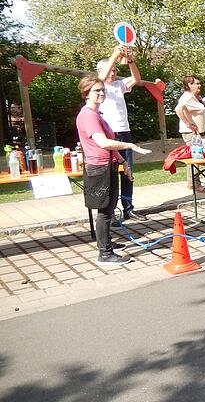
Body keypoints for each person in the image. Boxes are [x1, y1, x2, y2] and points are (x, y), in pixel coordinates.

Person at [76, 75, 150, 265]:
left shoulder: (97, 114)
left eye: (102, 90)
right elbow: (103, 142)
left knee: (108, 208)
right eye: (96, 91)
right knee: (105, 211)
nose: (101, 93)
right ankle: (105, 254)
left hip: (107, 164)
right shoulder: (88, 115)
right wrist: (130, 146)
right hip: (98, 167)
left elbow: (107, 146)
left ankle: (106, 242)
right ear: (86, 93)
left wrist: (122, 162)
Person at [96, 45, 147, 221]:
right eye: (111, 70)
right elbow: (101, 79)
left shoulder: (119, 85)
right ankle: (110, 211)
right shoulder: (98, 87)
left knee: (128, 172)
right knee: (110, 174)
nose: (113, 73)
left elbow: (137, 78)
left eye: (115, 70)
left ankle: (128, 208)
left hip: (124, 133)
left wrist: (130, 60)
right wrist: (114, 55)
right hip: (107, 136)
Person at [174, 75, 205, 193]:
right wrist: (188, 123)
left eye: (199, 83)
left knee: (194, 156)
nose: (199, 86)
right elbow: (178, 110)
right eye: (196, 84)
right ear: (189, 85)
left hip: (196, 132)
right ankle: (196, 184)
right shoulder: (186, 97)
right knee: (196, 156)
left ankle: (192, 182)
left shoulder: (193, 97)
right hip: (190, 132)